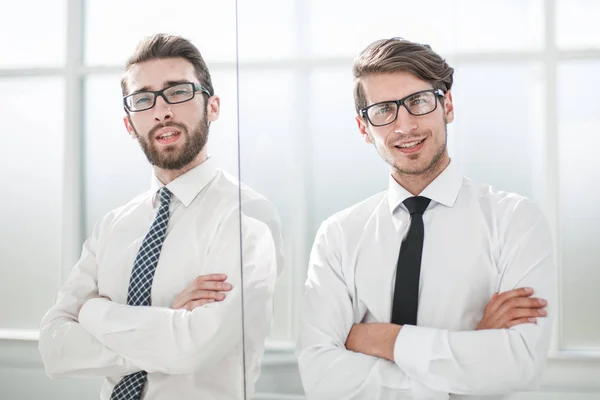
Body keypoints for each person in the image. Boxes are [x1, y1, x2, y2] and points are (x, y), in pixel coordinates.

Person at [297, 37, 556, 400]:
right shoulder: (339, 235)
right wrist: (470, 351)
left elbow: (519, 365)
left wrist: (378, 338)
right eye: (384, 110)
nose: (404, 126)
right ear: (363, 128)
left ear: (446, 104)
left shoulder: (515, 221)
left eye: (417, 101)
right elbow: (321, 376)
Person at [39, 33, 284, 400]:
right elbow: (54, 348)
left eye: (178, 92)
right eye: (143, 99)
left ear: (212, 106)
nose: (161, 110)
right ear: (129, 124)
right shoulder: (114, 225)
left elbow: (193, 348)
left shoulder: (248, 217)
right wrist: (167, 318)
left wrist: (93, 313)